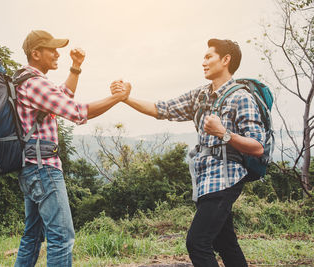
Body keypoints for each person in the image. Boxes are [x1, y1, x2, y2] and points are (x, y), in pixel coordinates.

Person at [111, 39, 264, 266]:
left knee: (197, 242)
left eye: (208, 57)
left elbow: (257, 146)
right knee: (224, 242)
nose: (203, 62)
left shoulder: (241, 97)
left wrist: (223, 133)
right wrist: (125, 98)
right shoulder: (201, 95)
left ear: (225, 60)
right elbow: (162, 109)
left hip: (226, 178)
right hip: (205, 180)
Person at [14, 30, 131, 267]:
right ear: (36, 53)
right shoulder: (35, 83)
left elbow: (62, 96)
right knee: (61, 237)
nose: (57, 53)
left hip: (30, 167)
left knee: (33, 236)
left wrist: (75, 67)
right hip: (43, 168)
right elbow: (77, 112)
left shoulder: (27, 81)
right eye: (51, 49)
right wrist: (117, 98)